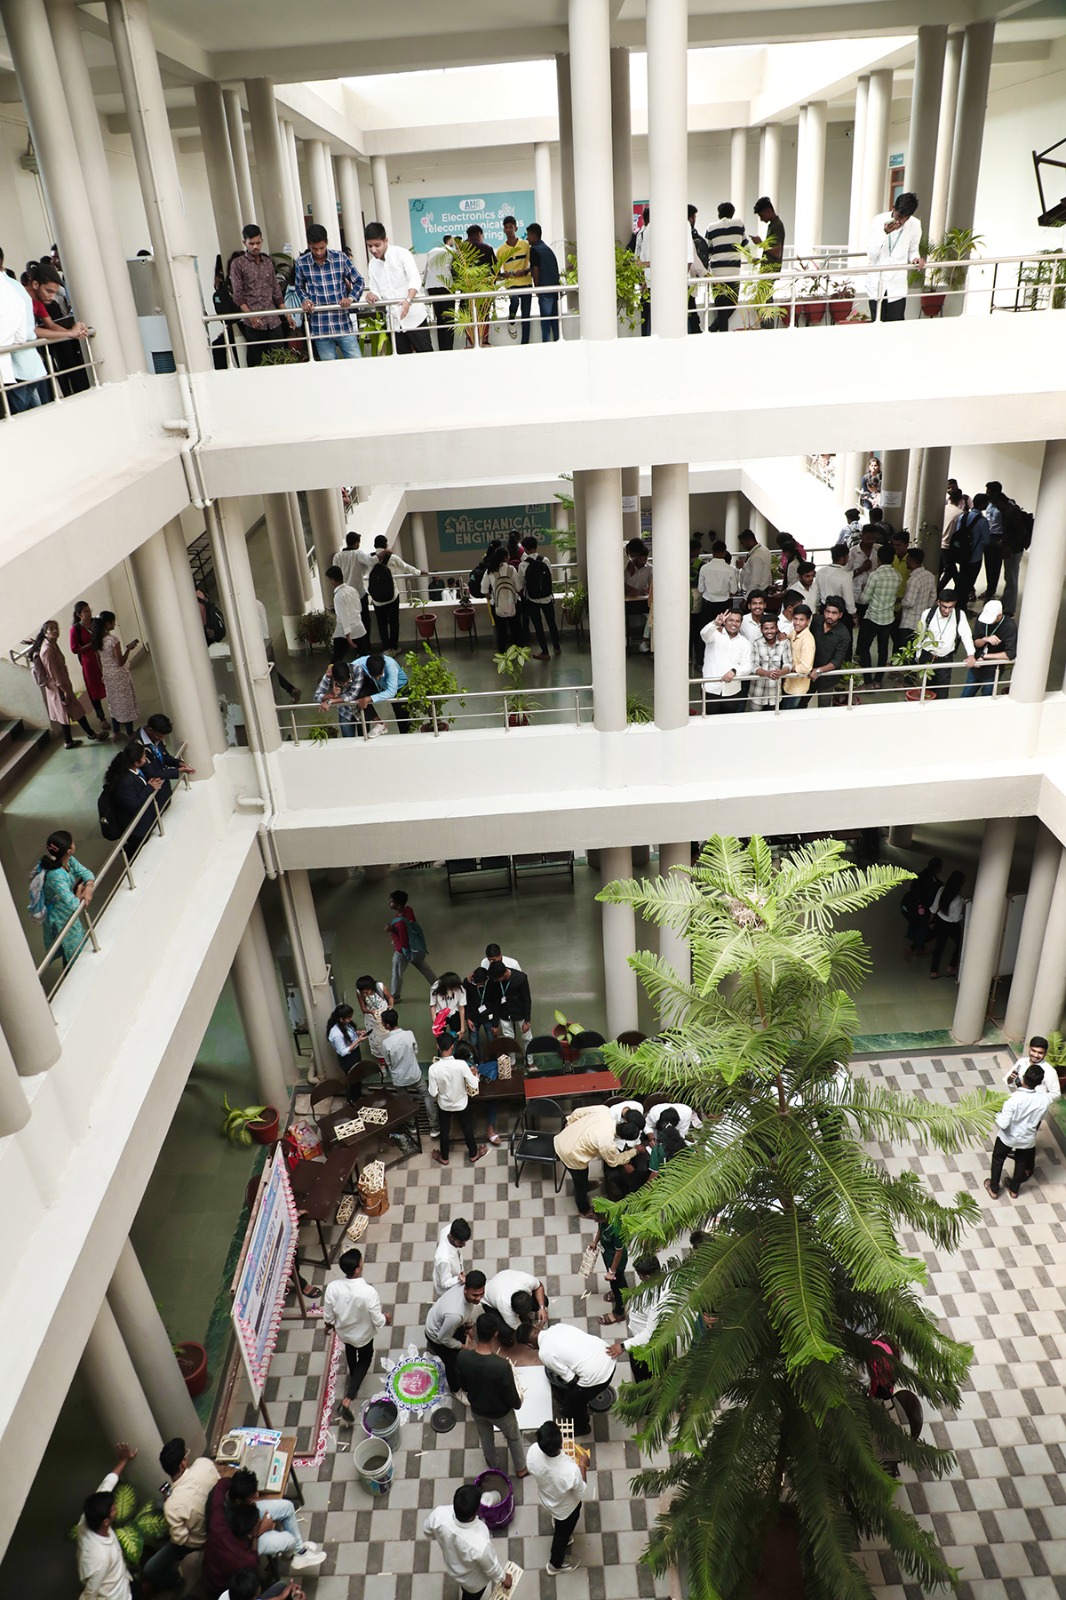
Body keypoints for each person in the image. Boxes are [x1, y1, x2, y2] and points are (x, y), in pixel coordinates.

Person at [204, 1469, 325, 1593]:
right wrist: (259, 1531)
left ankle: (299, 1552)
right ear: (238, 1502)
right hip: (244, 1544)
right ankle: (291, 1553)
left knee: (287, 1507)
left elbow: (224, 1481)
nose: (257, 1496)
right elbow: (250, 1556)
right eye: (252, 1497)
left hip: (245, 1518)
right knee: (289, 1540)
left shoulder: (220, 1497)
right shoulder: (224, 1533)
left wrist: (243, 1484)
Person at [142, 1437, 220, 1592]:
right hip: (216, 1516)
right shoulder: (204, 1464)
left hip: (199, 1538)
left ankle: (176, 1581)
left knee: (149, 1569)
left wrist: (173, 1514)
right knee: (161, 1505)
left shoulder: (172, 1505)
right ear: (183, 1464)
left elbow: (181, 1539)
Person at [456, 1313, 529, 1476]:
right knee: (514, 1438)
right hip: (501, 1413)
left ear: (476, 1330)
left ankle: (493, 1465)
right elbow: (510, 1394)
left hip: (477, 1409)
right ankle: (521, 1469)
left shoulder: (463, 1357)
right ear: (496, 1333)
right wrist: (517, 1403)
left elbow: (463, 1385)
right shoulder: (501, 1366)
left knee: (486, 1438)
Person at [324, 1247, 390, 1426]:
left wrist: (328, 1326)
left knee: (350, 1351)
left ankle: (354, 1374)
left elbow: (328, 1314)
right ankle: (348, 1400)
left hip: (344, 1333)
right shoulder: (368, 1292)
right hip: (363, 1335)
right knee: (365, 1358)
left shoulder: (333, 1288)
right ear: (357, 1269)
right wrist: (387, 1318)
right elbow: (378, 1320)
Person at [525, 1419, 593, 1577]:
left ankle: (560, 1529)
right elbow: (582, 1493)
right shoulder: (570, 1471)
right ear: (560, 1443)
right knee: (562, 1535)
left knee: (559, 1524)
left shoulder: (533, 1452)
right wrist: (583, 1465)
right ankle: (555, 1564)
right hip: (566, 1510)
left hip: (547, 1498)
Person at [423, 1483, 512, 1600]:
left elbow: (427, 1531)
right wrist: (504, 1578)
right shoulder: (480, 1543)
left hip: (452, 1567)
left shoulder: (439, 1515)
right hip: (474, 1583)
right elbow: (491, 1567)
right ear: (476, 1511)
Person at [554, 1104, 645, 1217]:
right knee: (579, 1184)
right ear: (623, 1138)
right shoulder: (606, 1143)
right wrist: (634, 1151)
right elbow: (613, 1161)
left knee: (583, 1176)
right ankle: (584, 1210)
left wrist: (569, 1123)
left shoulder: (604, 1111)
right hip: (569, 1154)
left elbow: (577, 1112)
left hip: (563, 1136)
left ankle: (586, 1185)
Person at [29, 620, 108, 748]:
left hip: (60, 686)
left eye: (56, 628)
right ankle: (91, 735)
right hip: (59, 687)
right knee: (76, 711)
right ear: (45, 633)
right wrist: (64, 690)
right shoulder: (48, 650)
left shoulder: (51, 645)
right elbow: (54, 673)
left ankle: (69, 741)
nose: (55, 631)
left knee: (65, 713)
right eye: (51, 629)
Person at [76, 1441, 138, 1600]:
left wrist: (124, 1460)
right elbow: (90, 1594)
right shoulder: (100, 1559)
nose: (116, 1507)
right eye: (113, 1509)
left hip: (124, 1581)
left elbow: (106, 1485)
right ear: (106, 1522)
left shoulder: (88, 1517)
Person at [532, 1322, 616, 1435]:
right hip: (608, 1355)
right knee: (573, 1395)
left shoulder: (544, 1353)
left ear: (529, 1346)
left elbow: (572, 1379)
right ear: (536, 1327)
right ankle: (571, 1407)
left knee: (574, 1402)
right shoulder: (557, 1327)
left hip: (598, 1376)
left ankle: (583, 1428)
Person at [294, 223, 363, 360]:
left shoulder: (340, 258)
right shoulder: (301, 263)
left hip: (342, 323)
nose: (319, 252)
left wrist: (350, 298)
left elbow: (359, 281)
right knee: (329, 368)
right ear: (309, 244)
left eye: (322, 248)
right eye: (314, 249)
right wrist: (305, 300)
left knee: (356, 362)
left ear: (327, 242)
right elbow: (299, 287)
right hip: (320, 326)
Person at [984, 1061, 1052, 1201]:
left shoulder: (1013, 1099)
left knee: (998, 1160)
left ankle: (994, 1188)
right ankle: (1014, 1189)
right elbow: (1039, 1120)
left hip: (1008, 1137)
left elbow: (1003, 1124)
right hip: (1027, 1138)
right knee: (1021, 1162)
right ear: (1039, 1083)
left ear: (1024, 1077)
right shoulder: (1044, 1100)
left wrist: (996, 1113)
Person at [363, 222, 432, 353]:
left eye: (377, 245)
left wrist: (408, 301)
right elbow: (375, 289)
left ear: (386, 240)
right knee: (402, 360)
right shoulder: (372, 264)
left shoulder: (402, 254)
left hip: (414, 317)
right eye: (370, 246)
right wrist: (372, 295)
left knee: (426, 355)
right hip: (394, 322)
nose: (373, 250)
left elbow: (415, 279)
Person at [228, 224, 289, 366]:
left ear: (262, 241)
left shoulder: (267, 262)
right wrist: (250, 315)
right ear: (244, 243)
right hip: (254, 323)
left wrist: (287, 314)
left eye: (258, 243)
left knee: (280, 360)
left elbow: (276, 290)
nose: (255, 247)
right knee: (260, 363)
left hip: (273, 321)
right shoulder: (238, 264)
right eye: (251, 243)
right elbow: (238, 294)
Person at [34, 830, 95, 967]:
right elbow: (74, 904)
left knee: (73, 947)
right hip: (60, 917)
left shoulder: (68, 860)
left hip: (66, 909)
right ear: (69, 850)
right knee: (73, 950)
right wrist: (79, 890)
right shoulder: (56, 876)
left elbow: (86, 872)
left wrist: (89, 886)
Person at [428, 1033, 487, 1165]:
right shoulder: (461, 1065)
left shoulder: (433, 1069)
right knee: (467, 1128)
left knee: (444, 1131)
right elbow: (474, 1085)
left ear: (437, 1046)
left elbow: (432, 1092)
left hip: (444, 1105)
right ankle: (473, 1154)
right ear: (452, 1047)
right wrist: (476, 1076)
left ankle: (444, 1157)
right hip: (461, 1103)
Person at [0, 256, 49, 411]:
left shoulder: (8, 288)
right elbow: (23, 334)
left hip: (15, 365)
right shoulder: (15, 287)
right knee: (33, 409)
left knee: (17, 413)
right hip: (25, 362)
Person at [425, 1273, 487, 1393]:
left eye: (481, 1294)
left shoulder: (465, 1284)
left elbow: (467, 1309)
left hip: (443, 1320)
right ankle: (455, 1390)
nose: (479, 1298)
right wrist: (463, 1347)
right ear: (465, 1290)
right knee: (452, 1363)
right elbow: (443, 1339)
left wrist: (469, 1327)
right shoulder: (455, 1315)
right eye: (475, 1295)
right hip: (436, 1334)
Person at [866, 191, 924, 321]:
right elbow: (871, 254)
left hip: (897, 286)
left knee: (897, 326)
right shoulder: (878, 220)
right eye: (898, 216)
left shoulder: (915, 225)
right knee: (877, 326)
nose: (900, 221)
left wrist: (915, 259)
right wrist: (884, 233)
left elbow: (913, 250)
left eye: (904, 218)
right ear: (893, 208)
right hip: (877, 284)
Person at [100, 742, 167, 852]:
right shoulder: (124, 782)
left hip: (146, 820)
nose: (146, 759)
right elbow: (133, 804)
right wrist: (149, 788)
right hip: (137, 828)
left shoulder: (135, 770)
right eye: (144, 757)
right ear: (136, 762)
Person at [606, 1255, 664, 1381]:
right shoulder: (655, 1281)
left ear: (647, 1277)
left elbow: (649, 1334)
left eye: (640, 1275)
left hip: (645, 1345)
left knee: (642, 1373)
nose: (639, 1278)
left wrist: (622, 1346)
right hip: (640, 1337)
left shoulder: (657, 1302)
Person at [379, 1008, 437, 1128]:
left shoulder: (386, 1043)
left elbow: (388, 1062)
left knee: (405, 1100)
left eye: (383, 1022)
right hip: (414, 1074)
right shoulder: (409, 1034)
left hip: (399, 1079)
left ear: (387, 1025)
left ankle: (411, 1126)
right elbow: (415, 1051)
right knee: (426, 1095)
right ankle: (434, 1125)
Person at [915, 591, 977, 696]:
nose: (947, 610)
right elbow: (920, 635)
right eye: (944, 607)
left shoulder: (959, 615)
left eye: (950, 607)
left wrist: (971, 654)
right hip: (927, 656)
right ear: (938, 602)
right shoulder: (928, 613)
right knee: (928, 688)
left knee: (943, 689)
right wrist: (918, 655)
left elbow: (966, 635)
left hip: (945, 657)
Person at [365, 542, 423, 653]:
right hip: (392, 596)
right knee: (394, 622)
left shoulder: (369, 559)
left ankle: (386, 649)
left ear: (375, 545)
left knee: (382, 624)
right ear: (386, 545)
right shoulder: (392, 557)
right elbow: (405, 567)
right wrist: (419, 572)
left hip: (377, 599)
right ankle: (394, 647)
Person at [857, 546, 901, 687]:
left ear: (878, 559)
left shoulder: (875, 575)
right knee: (883, 649)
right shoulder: (897, 575)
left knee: (864, 648)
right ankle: (878, 680)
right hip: (888, 618)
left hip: (872, 617)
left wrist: (863, 589)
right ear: (893, 558)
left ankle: (868, 681)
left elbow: (864, 599)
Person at [91, 611, 139, 738]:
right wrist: (129, 649)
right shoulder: (113, 640)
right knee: (125, 702)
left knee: (113, 702)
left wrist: (104, 673)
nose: (114, 624)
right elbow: (120, 661)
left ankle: (116, 732)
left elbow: (98, 660)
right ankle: (130, 732)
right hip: (119, 675)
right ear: (107, 624)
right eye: (113, 622)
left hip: (107, 674)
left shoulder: (97, 641)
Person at [705, 201, 747, 333]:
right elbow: (745, 245)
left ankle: (714, 329)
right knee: (732, 304)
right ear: (732, 213)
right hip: (734, 272)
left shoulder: (711, 228)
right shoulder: (739, 224)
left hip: (717, 273)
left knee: (721, 306)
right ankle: (715, 329)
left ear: (719, 214)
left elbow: (708, 250)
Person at [962, 599, 1017, 697]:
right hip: (976, 666)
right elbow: (976, 642)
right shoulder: (981, 619)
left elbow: (1010, 654)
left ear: (999, 615)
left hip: (993, 669)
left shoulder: (1009, 626)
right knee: (966, 695)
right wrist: (985, 639)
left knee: (987, 696)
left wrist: (984, 656)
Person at [701, 607, 752, 713]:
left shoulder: (745, 643)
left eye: (737, 621)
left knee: (729, 720)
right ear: (725, 621)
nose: (734, 624)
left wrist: (734, 672)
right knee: (710, 720)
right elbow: (703, 633)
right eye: (731, 620)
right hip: (711, 689)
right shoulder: (714, 634)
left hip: (732, 691)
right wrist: (715, 624)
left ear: (741, 623)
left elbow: (747, 666)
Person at [942, 494, 991, 603]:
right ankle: (962, 605)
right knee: (969, 582)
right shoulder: (983, 521)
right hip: (975, 557)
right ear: (982, 505)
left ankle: (956, 602)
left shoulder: (963, 516)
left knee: (961, 579)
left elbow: (958, 532)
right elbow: (987, 541)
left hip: (962, 554)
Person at [386, 888, 436, 996]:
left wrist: (391, 930)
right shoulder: (408, 910)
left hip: (402, 951)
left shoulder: (400, 923)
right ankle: (437, 985)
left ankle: (395, 995)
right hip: (415, 948)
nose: (389, 902)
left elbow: (403, 941)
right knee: (425, 968)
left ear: (398, 905)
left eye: (392, 901)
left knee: (397, 973)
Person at [69, 602, 110, 733]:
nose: (89, 613)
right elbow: (74, 649)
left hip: (103, 657)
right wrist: (90, 645)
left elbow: (105, 634)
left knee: (110, 684)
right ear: (79, 614)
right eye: (85, 611)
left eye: (89, 610)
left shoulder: (96, 622)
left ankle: (116, 711)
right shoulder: (76, 629)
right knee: (94, 690)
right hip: (89, 662)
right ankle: (101, 717)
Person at [518, 535, 561, 657]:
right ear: (536, 546)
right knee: (552, 623)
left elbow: (521, 584)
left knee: (538, 626)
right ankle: (557, 648)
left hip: (532, 600)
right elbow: (550, 577)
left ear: (525, 549)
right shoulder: (545, 560)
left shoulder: (523, 565)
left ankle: (545, 652)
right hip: (547, 598)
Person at [351, 651, 412, 735]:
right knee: (360, 695)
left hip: (399, 688)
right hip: (379, 686)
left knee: (402, 717)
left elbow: (391, 691)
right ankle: (379, 723)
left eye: (380, 675)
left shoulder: (390, 665)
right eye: (374, 676)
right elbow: (348, 667)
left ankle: (405, 736)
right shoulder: (362, 662)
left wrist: (370, 698)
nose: (377, 678)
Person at [496, 215, 534, 343]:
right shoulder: (501, 250)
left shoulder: (525, 245)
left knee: (526, 316)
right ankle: (511, 320)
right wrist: (504, 275)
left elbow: (533, 265)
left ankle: (525, 344)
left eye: (511, 227)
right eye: (506, 227)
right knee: (515, 300)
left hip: (526, 282)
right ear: (503, 230)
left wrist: (525, 271)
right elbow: (497, 272)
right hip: (511, 283)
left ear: (516, 228)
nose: (508, 230)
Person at [484, 1268, 549, 1343]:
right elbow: (519, 1328)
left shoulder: (527, 1281)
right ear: (512, 1309)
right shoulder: (504, 1306)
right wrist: (534, 1331)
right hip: (489, 1302)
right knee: (506, 1331)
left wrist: (542, 1308)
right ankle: (504, 1340)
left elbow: (539, 1286)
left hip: (503, 1278)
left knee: (544, 1300)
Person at [808, 599, 852, 706]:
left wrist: (819, 671)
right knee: (800, 704)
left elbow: (837, 661)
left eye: (834, 613)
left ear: (840, 615)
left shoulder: (844, 635)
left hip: (828, 678)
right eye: (827, 611)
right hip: (808, 673)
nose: (829, 616)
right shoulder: (816, 621)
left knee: (824, 707)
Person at [479, 957, 532, 1044]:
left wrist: (527, 1020)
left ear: (504, 974)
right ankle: (511, 1053)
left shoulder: (521, 978)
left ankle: (529, 1053)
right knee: (508, 1039)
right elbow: (495, 1002)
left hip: (519, 1011)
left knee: (527, 1037)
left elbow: (526, 999)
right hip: (503, 1012)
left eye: (497, 979)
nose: (495, 981)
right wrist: (495, 1024)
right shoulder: (494, 981)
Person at [899, 855, 942, 960]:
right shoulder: (935, 884)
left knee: (916, 926)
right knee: (924, 929)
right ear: (938, 869)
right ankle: (914, 948)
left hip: (909, 906)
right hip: (919, 910)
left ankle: (918, 946)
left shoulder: (921, 875)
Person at [896, 550, 937, 655]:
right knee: (916, 651)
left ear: (910, 560)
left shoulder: (913, 580)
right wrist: (925, 609)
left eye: (907, 558)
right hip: (922, 622)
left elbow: (909, 602)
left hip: (909, 623)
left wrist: (899, 600)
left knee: (905, 652)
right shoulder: (930, 575)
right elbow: (933, 597)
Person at [746, 615, 791, 712]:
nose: (769, 631)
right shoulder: (756, 643)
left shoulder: (784, 643)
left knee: (773, 719)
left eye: (772, 628)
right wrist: (767, 673)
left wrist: (780, 673)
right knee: (755, 719)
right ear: (761, 629)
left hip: (775, 693)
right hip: (757, 693)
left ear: (777, 628)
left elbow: (788, 664)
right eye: (766, 628)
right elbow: (753, 666)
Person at [334, 530, 374, 637]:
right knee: (365, 620)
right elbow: (369, 563)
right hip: (360, 594)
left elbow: (335, 572)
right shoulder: (358, 554)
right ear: (356, 543)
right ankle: (365, 644)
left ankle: (353, 644)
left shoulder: (337, 556)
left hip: (344, 595)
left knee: (348, 621)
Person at [325, 564, 367, 664]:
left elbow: (344, 617)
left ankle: (332, 673)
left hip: (344, 632)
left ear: (333, 580)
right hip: (359, 628)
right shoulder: (353, 590)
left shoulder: (339, 596)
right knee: (364, 658)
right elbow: (359, 608)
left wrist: (348, 637)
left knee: (336, 659)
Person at [928, 870, 965, 979]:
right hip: (951, 925)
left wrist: (931, 920)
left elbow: (934, 907)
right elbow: (956, 919)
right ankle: (951, 968)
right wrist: (962, 915)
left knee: (939, 946)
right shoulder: (958, 900)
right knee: (959, 943)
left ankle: (933, 971)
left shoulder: (941, 890)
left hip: (939, 921)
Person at [526, 223, 560, 341]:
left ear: (534, 235)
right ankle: (557, 341)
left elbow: (536, 270)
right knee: (555, 321)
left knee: (545, 322)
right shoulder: (547, 249)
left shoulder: (534, 250)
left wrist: (537, 289)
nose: (527, 238)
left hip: (544, 289)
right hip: (554, 288)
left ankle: (546, 344)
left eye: (528, 235)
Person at [485, 545, 523, 650]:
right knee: (516, 630)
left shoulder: (490, 571)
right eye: (508, 555)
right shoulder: (511, 569)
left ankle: (502, 653)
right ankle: (519, 652)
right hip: (513, 604)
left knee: (501, 632)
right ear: (505, 557)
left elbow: (484, 589)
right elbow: (519, 587)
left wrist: (492, 599)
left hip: (497, 605)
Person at [313, 659, 363, 737]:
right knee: (347, 739)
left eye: (347, 681)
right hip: (345, 712)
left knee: (364, 738)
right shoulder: (329, 675)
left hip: (361, 708)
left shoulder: (357, 670)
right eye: (342, 683)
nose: (345, 684)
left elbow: (352, 695)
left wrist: (330, 701)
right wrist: (331, 695)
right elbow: (316, 697)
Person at [423, 234, 456, 350]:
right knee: (449, 319)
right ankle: (448, 348)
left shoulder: (432, 251)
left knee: (440, 320)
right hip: (445, 286)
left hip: (432, 287)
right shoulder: (451, 251)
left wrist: (425, 288)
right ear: (450, 241)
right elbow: (455, 270)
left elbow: (426, 271)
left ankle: (442, 348)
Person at [138, 713, 194, 778]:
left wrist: (179, 763)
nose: (162, 739)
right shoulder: (137, 746)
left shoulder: (156, 738)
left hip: (164, 778)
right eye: (159, 736)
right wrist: (177, 771)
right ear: (150, 730)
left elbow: (164, 756)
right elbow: (150, 773)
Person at [780, 603, 815, 709]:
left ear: (808, 621)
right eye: (795, 619)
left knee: (789, 713)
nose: (797, 623)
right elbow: (789, 636)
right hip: (789, 683)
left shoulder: (807, 640)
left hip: (797, 688)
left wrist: (788, 668)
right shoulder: (795, 632)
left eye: (801, 620)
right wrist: (784, 636)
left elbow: (806, 667)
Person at [354, 973, 394, 1063]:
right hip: (371, 1018)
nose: (365, 994)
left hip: (384, 1013)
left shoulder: (380, 987)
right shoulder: (359, 993)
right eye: (363, 993)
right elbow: (363, 1008)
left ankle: (390, 1057)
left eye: (366, 992)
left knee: (388, 1036)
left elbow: (390, 998)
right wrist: (372, 1012)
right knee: (377, 1040)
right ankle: (382, 1061)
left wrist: (390, 1006)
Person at [813, 547, 857, 621]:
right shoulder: (845, 576)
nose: (848, 559)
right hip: (838, 611)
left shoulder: (820, 571)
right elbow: (849, 601)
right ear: (842, 559)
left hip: (824, 608)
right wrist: (854, 615)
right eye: (847, 556)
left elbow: (816, 593)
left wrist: (817, 607)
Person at [433, 1216, 472, 1295]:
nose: (464, 1245)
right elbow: (444, 1282)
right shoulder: (444, 1259)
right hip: (448, 1290)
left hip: (456, 1270)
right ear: (451, 1237)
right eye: (460, 1242)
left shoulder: (450, 1229)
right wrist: (458, 1279)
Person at [731, 527, 773, 597]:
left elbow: (755, 580)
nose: (743, 546)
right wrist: (744, 566)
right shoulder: (765, 550)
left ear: (749, 541)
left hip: (757, 592)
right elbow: (756, 569)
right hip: (763, 589)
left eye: (743, 543)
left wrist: (747, 597)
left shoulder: (756, 556)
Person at [326, 1003, 364, 1074]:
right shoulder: (336, 1034)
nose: (351, 1019)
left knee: (359, 1073)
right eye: (349, 1018)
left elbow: (347, 1033)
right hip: (348, 1059)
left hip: (355, 1052)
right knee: (353, 1076)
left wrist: (358, 1032)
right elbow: (343, 1052)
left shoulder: (345, 1024)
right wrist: (358, 1041)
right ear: (341, 1019)